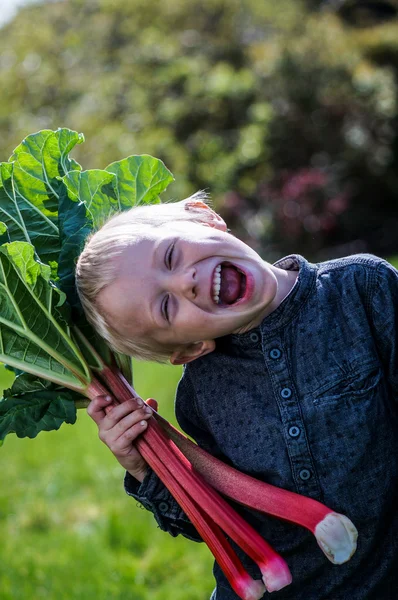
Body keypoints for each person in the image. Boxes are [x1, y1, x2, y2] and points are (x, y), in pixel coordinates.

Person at [76, 192, 398, 600]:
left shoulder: (361, 291)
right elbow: (222, 523)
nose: (184, 282)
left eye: (171, 255)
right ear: (190, 349)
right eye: (166, 308)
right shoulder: (200, 396)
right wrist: (144, 469)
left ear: (205, 217)